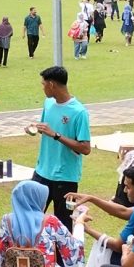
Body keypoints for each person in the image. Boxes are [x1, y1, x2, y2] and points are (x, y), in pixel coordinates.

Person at [29, 66, 91, 229]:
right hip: (41, 172)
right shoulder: (48, 103)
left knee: (63, 226)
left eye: (43, 84)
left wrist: (55, 135)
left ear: (51, 85)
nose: (42, 88)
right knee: (29, 218)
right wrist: (35, 128)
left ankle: (62, 256)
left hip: (65, 178)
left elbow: (85, 148)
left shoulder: (79, 112)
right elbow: (46, 130)